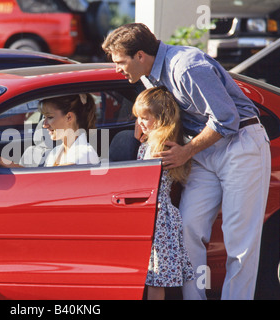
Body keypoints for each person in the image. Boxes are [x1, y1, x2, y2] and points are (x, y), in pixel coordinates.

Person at [102, 23, 271, 300]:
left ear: (141, 55)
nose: (117, 69)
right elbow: (168, 110)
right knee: (189, 227)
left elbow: (226, 118)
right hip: (204, 150)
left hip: (240, 144)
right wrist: (143, 120)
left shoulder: (186, 67)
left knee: (239, 241)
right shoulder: (149, 75)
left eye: (120, 62)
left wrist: (185, 152)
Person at [133, 86, 194, 300]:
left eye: (144, 118)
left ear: (160, 119)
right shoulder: (149, 145)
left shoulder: (160, 148)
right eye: (137, 117)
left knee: (156, 277)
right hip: (153, 215)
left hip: (158, 218)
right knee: (153, 275)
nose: (139, 122)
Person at [0, 93, 99, 167]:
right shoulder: (57, 151)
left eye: (49, 117)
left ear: (69, 117)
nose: (44, 125)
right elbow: (32, 174)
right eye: (44, 118)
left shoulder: (84, 154)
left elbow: (45, 179)